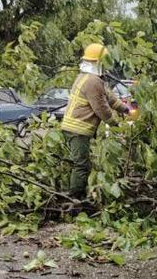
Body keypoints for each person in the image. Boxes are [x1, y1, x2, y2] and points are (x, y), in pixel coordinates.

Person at [61, 43, 130, 200]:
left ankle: (77, 193)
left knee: (82, 163)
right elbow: (101, 107)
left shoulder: (88, 77)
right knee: (81, 165)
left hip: (74, 128)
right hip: (77, 129)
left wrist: (125, 109)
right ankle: (74, 199)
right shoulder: (92, 81)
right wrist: (115, 124)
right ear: (99, 62)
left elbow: (109, 97)